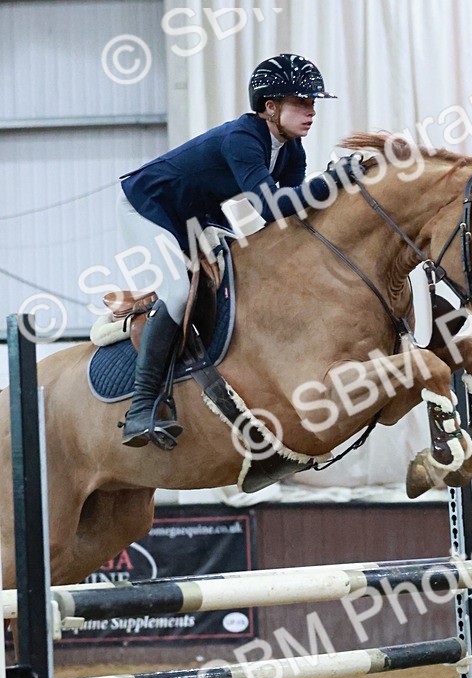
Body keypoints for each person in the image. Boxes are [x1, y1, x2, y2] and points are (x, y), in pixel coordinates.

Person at [116, 52, 348, 448]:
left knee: (238, 270)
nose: (311, 112)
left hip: (197, 212)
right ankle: (141, 408)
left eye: (312, 104)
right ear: (270, 107)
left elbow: (285, 221)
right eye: (301, 103)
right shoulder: (243, 137)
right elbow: (271, 206)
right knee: (176, 291)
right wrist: (334, 181)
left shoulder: (292, 151)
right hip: (149, 205)